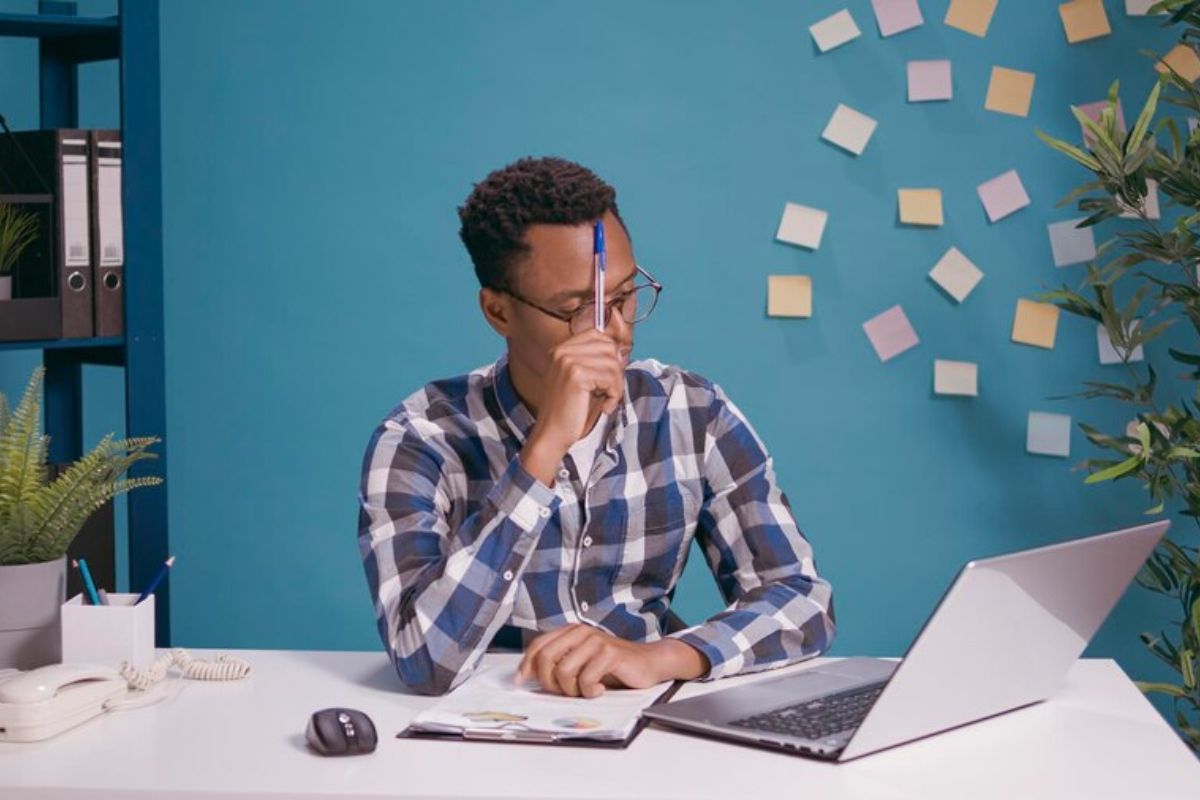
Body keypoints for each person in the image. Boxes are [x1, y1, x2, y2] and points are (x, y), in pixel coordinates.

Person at [358, 156, 835, 698]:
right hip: (487, 731)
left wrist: (662, 657)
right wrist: (541, 452)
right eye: (577, 307)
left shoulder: (692, 412)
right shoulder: (419, 439)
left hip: (644, 725)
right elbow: (423, 660)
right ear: (498, 312)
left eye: (626, 296)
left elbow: (801, 600)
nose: (613, 331)